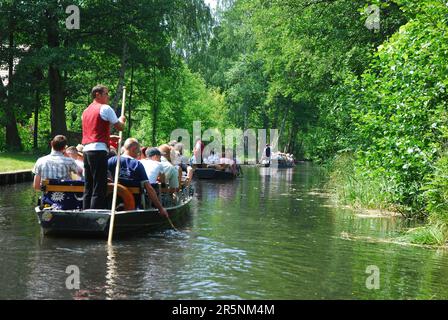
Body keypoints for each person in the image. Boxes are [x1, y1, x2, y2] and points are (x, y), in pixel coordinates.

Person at [82, 84, 126, 210]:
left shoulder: (85, 111)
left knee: (89, 184)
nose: (108, 96)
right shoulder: (105, 108)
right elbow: (120, 127)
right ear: (98, 94)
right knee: (99, 185)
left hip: (87, 150)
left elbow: (93, 131)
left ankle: (86, 211)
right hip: (98, 151)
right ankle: (95, 213)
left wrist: (108, 137)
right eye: (106, 93)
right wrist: (122, 119)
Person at [108, 138, 168, 217]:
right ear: (133, 149)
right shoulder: (137, 164)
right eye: (138, 151)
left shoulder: (111, 161)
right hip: (133, 206)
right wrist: (160, 208)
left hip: (111, 204)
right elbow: (149, 188)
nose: (139, 153)